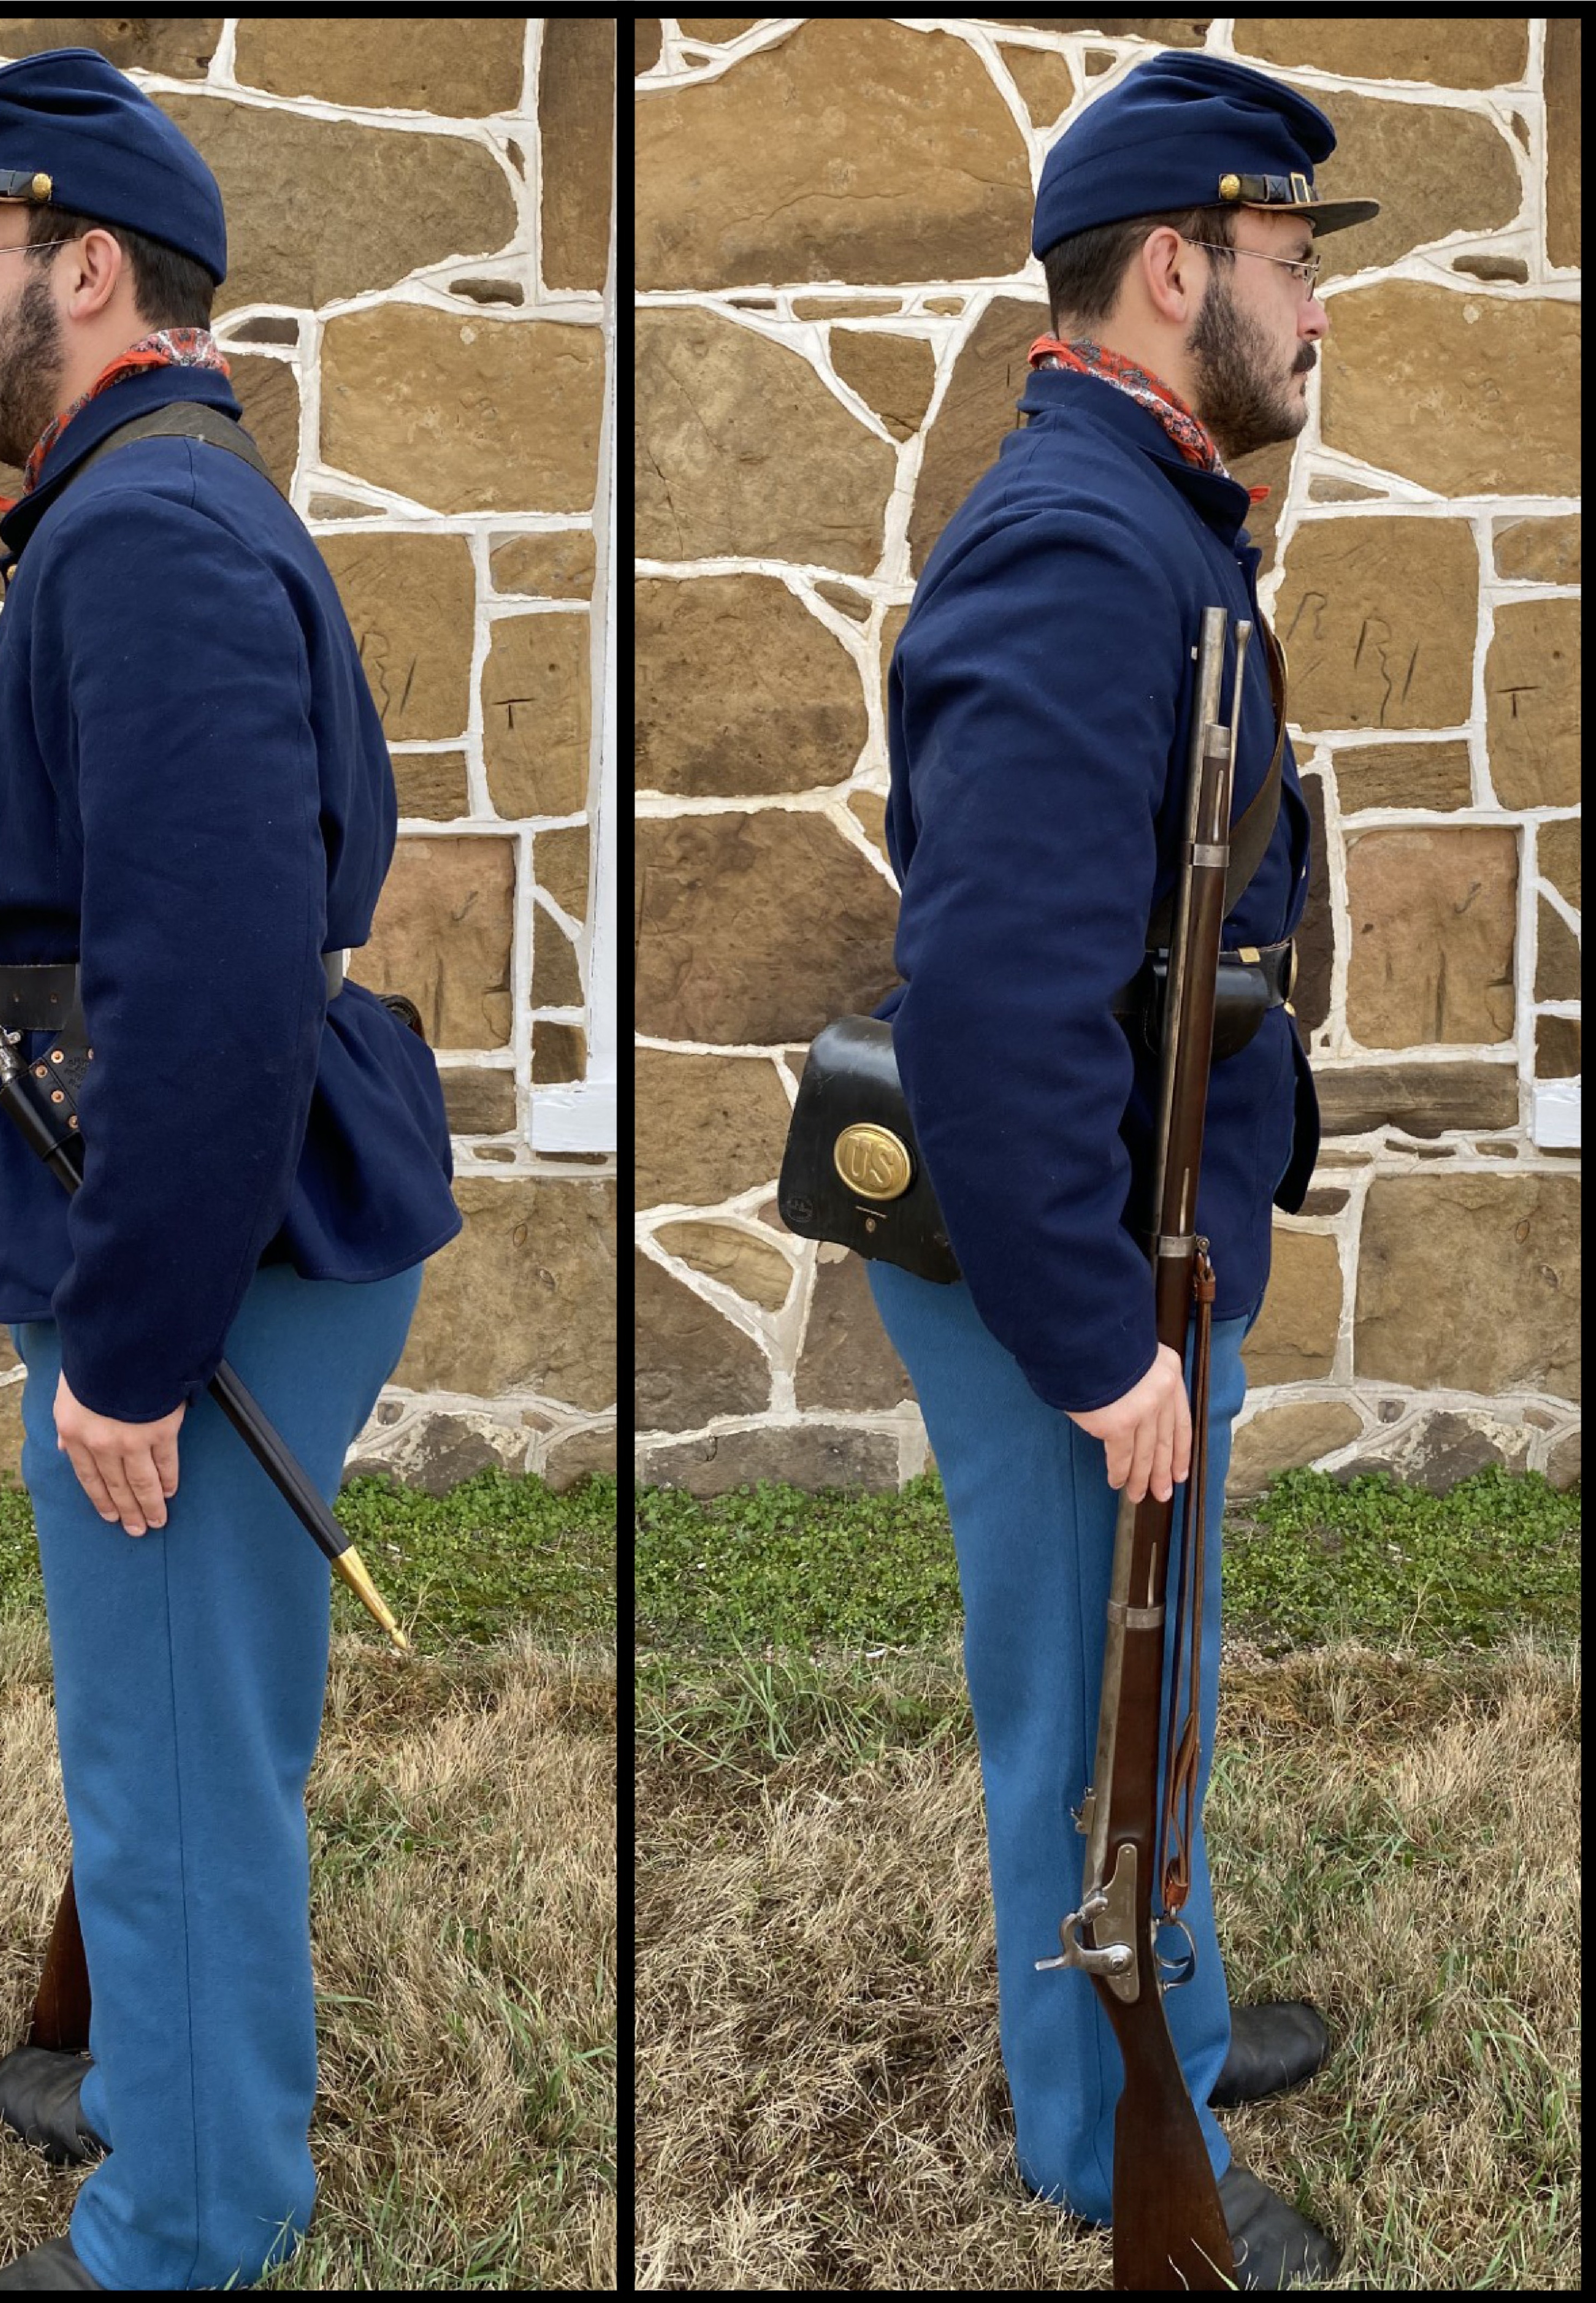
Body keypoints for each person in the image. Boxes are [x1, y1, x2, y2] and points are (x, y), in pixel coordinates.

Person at [0, 47, 461, 2292]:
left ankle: (190, 2218)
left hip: (206, 1246)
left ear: (91, 272)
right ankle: (168, 2087)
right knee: (180, 1720)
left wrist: (130, 1347)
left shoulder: (147, 534)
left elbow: (211, 984)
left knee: (181, 1758)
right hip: (202, 1206)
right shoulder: (151, 505)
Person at [874, 49, 1355, 2288]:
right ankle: (1099, 2136)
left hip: (1141, 1224)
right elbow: (988, 997)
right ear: (1176, 268)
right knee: (1087, 1711)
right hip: (1071, 1257)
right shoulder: (1080, 544)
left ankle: (1180, 2003)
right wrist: (1091, 1338)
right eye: (1287, 259)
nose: (1314, 308)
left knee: (1150, 1684)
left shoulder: (1140, 507)